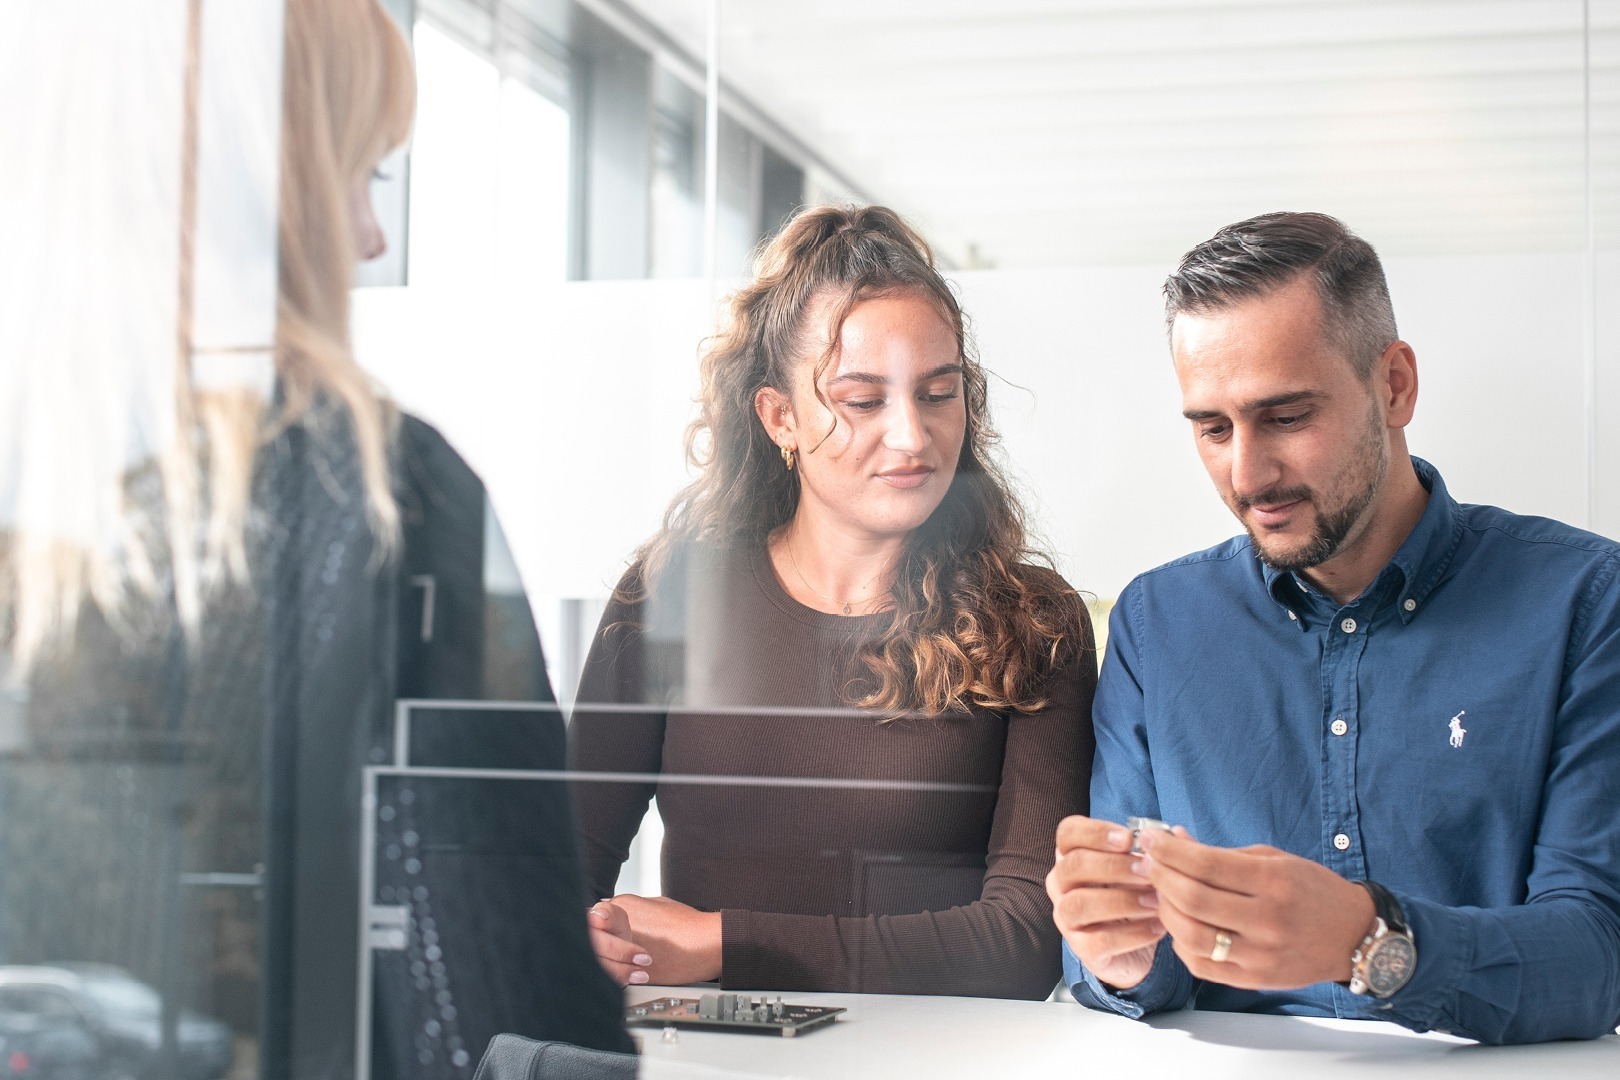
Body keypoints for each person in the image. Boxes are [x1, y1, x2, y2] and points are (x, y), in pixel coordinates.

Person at [1, 1, 632, 1075]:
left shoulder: (44, 501)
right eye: (363, 172)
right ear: (273, 182)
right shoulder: (384, 495)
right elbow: (508, 1013)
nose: (373, 234)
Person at [1047, 211, 1620, 1044]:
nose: (1247, 474)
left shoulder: (1584, 600)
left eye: (1285, 416)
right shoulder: (1157, 624)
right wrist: (1119, 953)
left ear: (1394, 385)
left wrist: (1371, 942)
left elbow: (1599, 952)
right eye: (1212, 428)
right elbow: (1148, 971)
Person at [569, 204, 1096, 999]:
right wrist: (592, 943)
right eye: (861, 401)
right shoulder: (670, 592)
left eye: (938, 393)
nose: (913, 437)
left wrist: (724, 943)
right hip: (707, 1059)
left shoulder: (1030, 621)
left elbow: (1025, 939)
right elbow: (561, 869)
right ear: (780, 416)